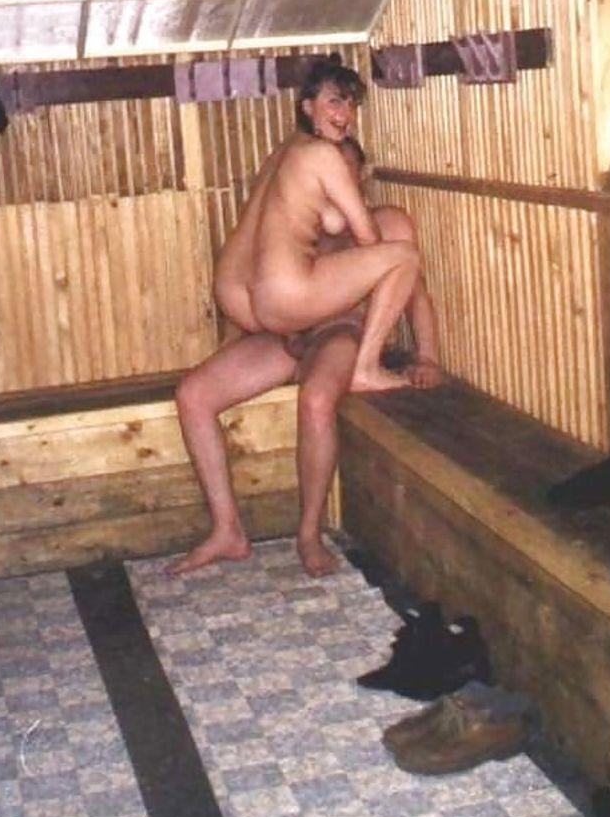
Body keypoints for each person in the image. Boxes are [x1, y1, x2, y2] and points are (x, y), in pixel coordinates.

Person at [170, 133, 442, 578]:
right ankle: (227, 530)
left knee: (316, 400)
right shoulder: (299, 218)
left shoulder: (386, 222)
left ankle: (309, 534)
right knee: (193, 394)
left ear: (361, 175)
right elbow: (256, 289)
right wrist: (234, 342)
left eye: (345, 169)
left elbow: (416, 294)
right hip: (286, 336)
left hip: (339, 334)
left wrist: (427, 357)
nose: (336, 181)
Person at [214, 56, 420, 395]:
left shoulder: (283, 154)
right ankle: (365, 368)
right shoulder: (325, 155)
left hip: (239, 294)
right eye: (335, 102)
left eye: (351, 105)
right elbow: (369, 238)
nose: (346, 114)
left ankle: (297, 348)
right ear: (308, 107)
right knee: (405, 256)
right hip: (284, 295)